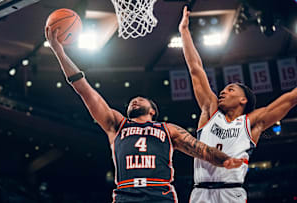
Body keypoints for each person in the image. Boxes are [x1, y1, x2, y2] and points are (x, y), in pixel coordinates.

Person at [45, 26, 244, 203]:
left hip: (160, 194)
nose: (135, 100)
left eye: (140, 99)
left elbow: (200, 149)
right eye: (133, 100)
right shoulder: (116, 124)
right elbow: (84, 89)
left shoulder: (167, 129)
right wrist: (59, 52)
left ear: (153, 110)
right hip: (126, 194)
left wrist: (224, 160)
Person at [179, 5, 297, 203]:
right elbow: (195, 69)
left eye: (230, 90)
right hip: (200, 192)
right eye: (223, 89)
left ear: (244, 100)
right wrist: (184, 32)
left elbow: (292, 98)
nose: (223, 92)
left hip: (231, 192)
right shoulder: (210, 111)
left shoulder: (251, 122)